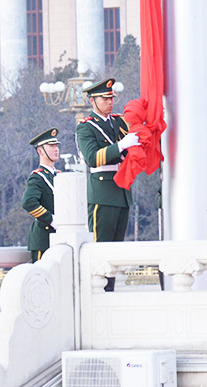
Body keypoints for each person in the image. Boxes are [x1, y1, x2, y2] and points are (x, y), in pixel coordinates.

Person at [76, 78, 140, 291]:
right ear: (92, 101)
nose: (110, 102)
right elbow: (93, 158)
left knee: (115, 252)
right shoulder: (86, 128)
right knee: (101, 250)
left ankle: (109, 292)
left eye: (112, 98)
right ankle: (98, 292)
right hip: (102, 193)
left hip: (121, 191)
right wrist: (120, 145)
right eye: (105, 98)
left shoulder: (119, 122)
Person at [21, 128, 61, 263]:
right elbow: (28, 202)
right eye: (51, 146)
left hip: (61, 237)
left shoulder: (59, 175)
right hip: (43, 238)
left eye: (56, 146)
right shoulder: (38, 177)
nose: (56, 149)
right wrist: (51, 219)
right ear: (40, 151)